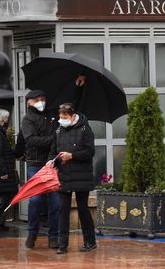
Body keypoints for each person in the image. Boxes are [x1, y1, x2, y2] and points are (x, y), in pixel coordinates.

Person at [47, 103, 96, 254]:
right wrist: (51, 161)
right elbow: (53, 150)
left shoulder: (85, 129)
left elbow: (90, 152)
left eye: (65, 117)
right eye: (60, 117)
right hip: (64, 175)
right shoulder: (58, 130)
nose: (62, 120)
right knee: (63, 209)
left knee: (83, 209)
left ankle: (90, 241)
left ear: (73, 115)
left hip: (82, 175)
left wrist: (72, 156)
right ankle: (63, 245)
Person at [21, 90, 60, 249]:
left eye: (43, 99)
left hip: (52, 163)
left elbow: (70, 107)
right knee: (36, 199)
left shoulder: (51, 115)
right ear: (29, 102)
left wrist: (78, 88)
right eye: (37, 99)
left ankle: (53, 236)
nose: (40, 102)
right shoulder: (27, 119)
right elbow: (31, 140)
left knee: (55, 202)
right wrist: (53, 139)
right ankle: (32, 233)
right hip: (35, 163)